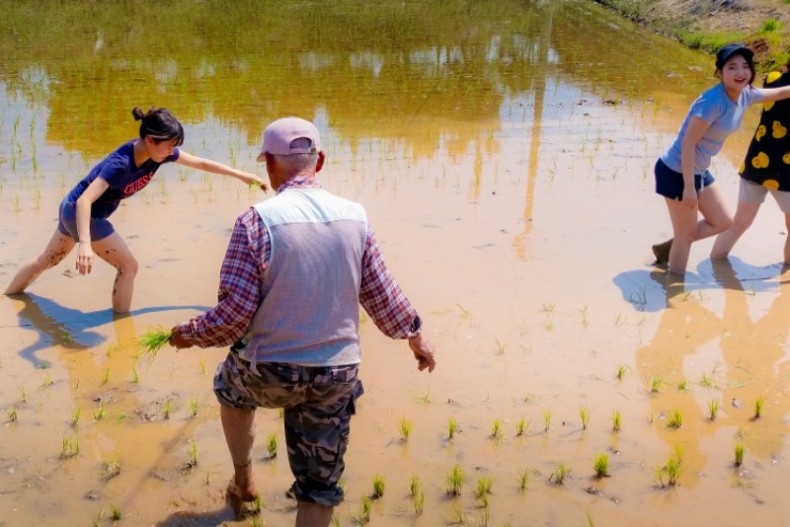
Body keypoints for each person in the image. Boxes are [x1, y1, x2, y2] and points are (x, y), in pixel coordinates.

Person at [168, 117, 436, 526]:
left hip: (269, 371)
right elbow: (382, 295)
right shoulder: (356, 218)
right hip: (336, 374)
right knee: (319, 486)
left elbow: (234, 317)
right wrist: (416, 338)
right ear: (320, 161)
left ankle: (244, 483)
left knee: (231, 389)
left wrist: (188, 334)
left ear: (270, 166)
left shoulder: (255, 221)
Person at [4, 107, 265, 312]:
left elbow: (200, 164)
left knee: (46, 261)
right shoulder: (121, 163)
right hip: (82, 213)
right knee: (129, 267)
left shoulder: (158, 154)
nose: (172, 152)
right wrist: (84, 243)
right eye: (169, 145)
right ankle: (122, 325)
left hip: (71, 210)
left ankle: (7, 299)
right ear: (150, 140)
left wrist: (241, 175)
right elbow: (85, 200)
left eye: (175, 145)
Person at [651, 44, 790, 275]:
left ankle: (669, 247)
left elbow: (783, 92)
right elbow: (688, 143)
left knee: (724, 222)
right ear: (719, 72)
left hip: (700, 171)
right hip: (677, 171)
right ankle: (673, 291)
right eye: (732, 67)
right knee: (686, 235)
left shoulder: (746, 95)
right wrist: (688, 187)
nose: (740, 73)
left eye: (745, 67)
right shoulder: (712, 102)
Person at [711, 59, 790, 263]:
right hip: (787, 173)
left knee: (740, 223)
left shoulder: (772, 78)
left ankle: (716, 262)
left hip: (756, 164)